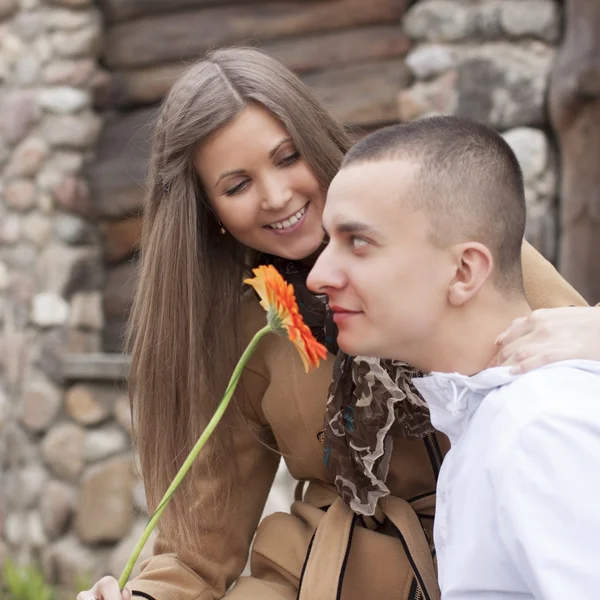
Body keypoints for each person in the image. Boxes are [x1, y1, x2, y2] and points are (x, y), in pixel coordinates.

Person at [78, 48, 590, 600]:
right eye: (236, 186)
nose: (277, 197)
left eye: (287, 156)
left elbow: (574, 373)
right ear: (210, 213)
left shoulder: (446, 237)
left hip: (492, 545)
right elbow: (200, 540)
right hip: (330, 574)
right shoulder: (245, 327)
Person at [308, 116, 600, 598]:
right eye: (329, 242)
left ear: (464, 271)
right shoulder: (494, 425)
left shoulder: (537, 429)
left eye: (358, 242)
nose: (320, 275)